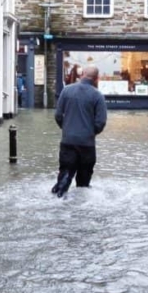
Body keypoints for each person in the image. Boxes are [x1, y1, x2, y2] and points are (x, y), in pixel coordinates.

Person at [51, 65, 108, 198]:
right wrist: (90, 132)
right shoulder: (98, 96)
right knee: (83, 184)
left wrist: (66, 129)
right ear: (97, 78)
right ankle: (80, 214)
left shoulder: (66, 91)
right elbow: (101, 122)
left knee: (65, 174)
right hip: (87, 144)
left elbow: (58, 115)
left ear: (81, 75)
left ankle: (58, 196)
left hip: (68, 141)